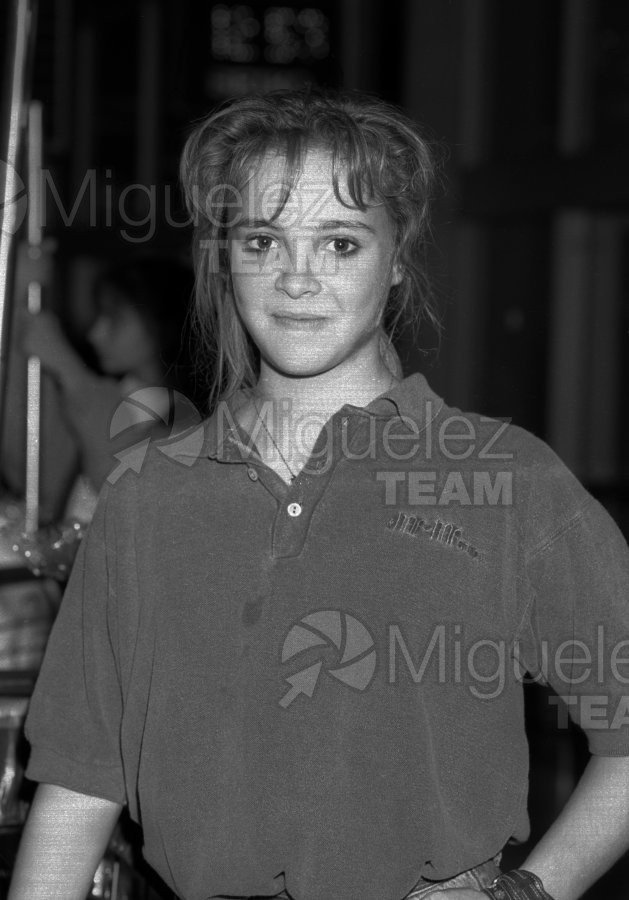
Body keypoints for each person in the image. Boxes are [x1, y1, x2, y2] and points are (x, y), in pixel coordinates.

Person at [8, 89, 629, 900]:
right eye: (263, 239)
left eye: (339, 243)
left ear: (397, 255)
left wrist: (533, 890)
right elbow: (78, 785)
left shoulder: (506, 481)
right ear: (224, 254)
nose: (297, 278)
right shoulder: (150, 496)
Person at [2, 256, 199, 524]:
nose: (96, 333)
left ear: (160, 324)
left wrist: (65, 365)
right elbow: (39, 466)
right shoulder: (114, 401)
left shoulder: (191, 424)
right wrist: (21, 293)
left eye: (114, 318)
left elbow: (116, 474)